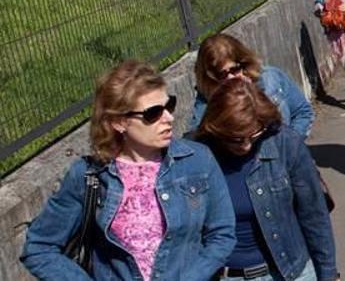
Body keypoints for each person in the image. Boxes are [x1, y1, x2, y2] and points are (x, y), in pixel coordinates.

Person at [22, 60, 235, 280]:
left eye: (169, 105)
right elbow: (39, 248)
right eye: (153, 113)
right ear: (119, 122)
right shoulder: (89, 175)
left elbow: (222, 235)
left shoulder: (197, 160)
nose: (168, 118)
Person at [194, 79, 339, 281]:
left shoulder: (285, 143)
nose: (245, 145)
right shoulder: (196, 156)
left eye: (254, 135)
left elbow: (314, 214)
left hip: (292, 272)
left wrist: (329, 274)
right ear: (216, 128)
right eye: (235, 139)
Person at [189, 33, 315, 139]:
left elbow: (302, 112)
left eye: (234, 70)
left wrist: (291, 146)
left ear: (244, 64)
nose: (230, 78)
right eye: (221, 75)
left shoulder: (270, 78)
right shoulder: (206, 103)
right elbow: (198, 141)